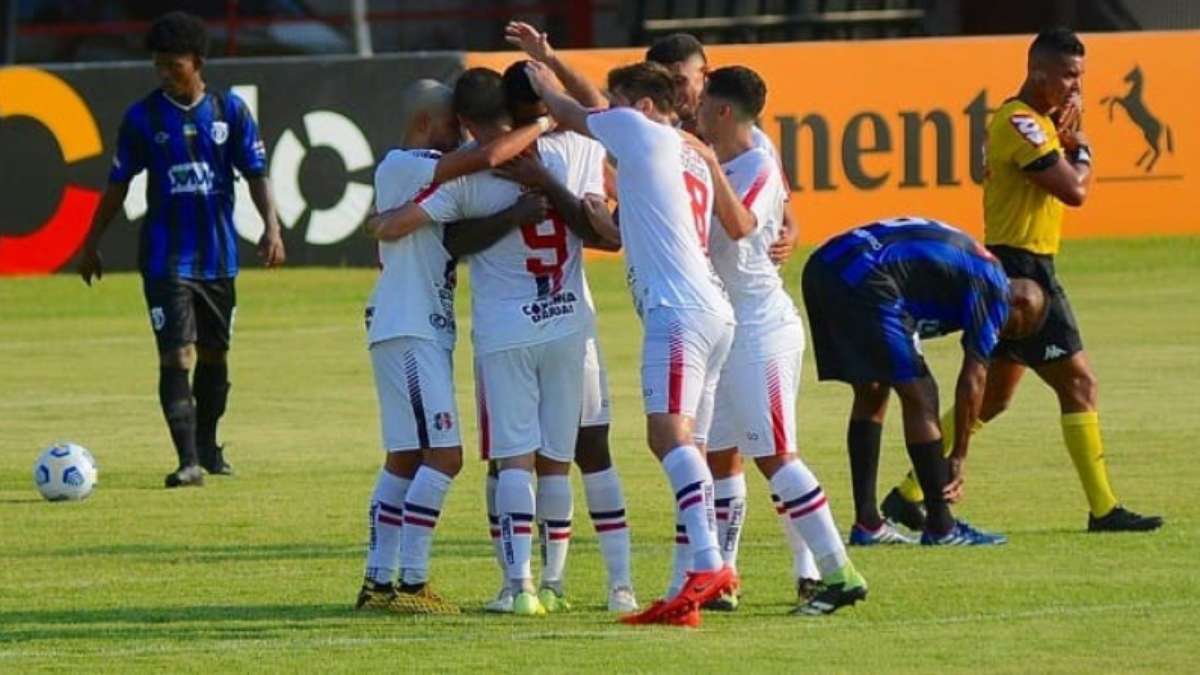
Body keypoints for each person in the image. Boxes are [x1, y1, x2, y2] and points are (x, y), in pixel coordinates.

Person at [880, 29, 1163, 534]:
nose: (1078, 87)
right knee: (1080, 384)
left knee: (994, 399)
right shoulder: (1020, 122)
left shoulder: (1039, 123)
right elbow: (1074, 191)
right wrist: (1084, 150)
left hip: (1024, 266)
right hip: (1023, 271)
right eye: (1069, 76)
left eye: (1082, 76)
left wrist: (1064, 133)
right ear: (1038, 73)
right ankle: (1103, 510)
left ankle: (909, 493)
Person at [368, 67, 612, 617]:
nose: (460, 133)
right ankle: (409, 580)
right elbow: (487, 158)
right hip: (409, 323)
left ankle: (380, 580)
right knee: (447, 455)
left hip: (417, 321)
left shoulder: (419, 168)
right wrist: (551, 117)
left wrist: (382, 224)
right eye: (452, 125)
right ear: (429, 122)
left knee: (405, 457)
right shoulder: (411, 164)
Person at [526, 58, 748, 627]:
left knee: (665, 436)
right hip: (712, 309)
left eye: (620, 101)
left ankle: (707, 562)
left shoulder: (638, 128)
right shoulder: (688, 154)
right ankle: (685, 590)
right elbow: (649, 231)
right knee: (690, 446)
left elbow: (573, 112)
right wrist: (606, 224)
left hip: (680, 313)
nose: (612, 112)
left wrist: (539, 75)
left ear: (644, 106)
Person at [78, 11, 285, 488]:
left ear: (196, 62)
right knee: (178, 357)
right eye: (158, 65)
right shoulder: (142, 117)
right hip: (165, 261)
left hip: (219, 259)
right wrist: (91, 243)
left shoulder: (229, 112)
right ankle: (187, 460)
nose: (164, 73)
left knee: (215, 356)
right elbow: (116, 186)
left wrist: (272, 229)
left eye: (173, 64)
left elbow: (256, 174)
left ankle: (209, 449)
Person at [694, 65, 867, 616]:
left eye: (702, 105)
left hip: (761, 330)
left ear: (722, 112)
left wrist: (705, 167)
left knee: (775, 455)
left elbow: (741, 224)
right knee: (720, 454)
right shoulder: (719, 158)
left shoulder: (757, 164)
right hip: (725, 327)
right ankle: (724, 577)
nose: (694, 114)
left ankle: (839, 573)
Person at [486, 50, 639, 614]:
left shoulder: (491, 159)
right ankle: (610, 583)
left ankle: (520, 581)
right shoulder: (580, 147)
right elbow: (605, 234)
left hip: (511, 327)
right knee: (587, 451)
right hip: (572, 319)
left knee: (514, 455)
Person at [804, 217, 1047, 549]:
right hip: (866, 277)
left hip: (825, 265)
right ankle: (941, 525)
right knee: (922, 394)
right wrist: (959, 453)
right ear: (1019, 304)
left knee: (873, 389)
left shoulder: (975, 266)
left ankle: (868, 523)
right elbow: (973, 379)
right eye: (1013, 330)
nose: (1002, 337)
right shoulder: (995, 289)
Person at [645, 32, 799, 266]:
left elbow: (785, 216)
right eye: (662, 85)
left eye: (679, 82)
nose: (673, 94)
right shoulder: (664, 138)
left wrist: (790, 237)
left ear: (704, 75)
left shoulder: (754, 145)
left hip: (741, 285)